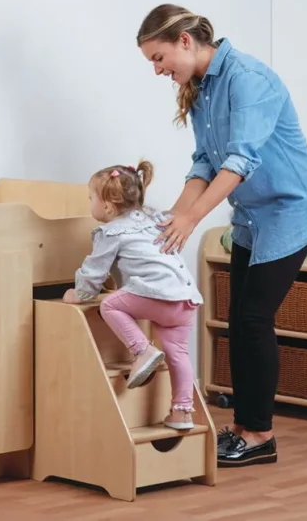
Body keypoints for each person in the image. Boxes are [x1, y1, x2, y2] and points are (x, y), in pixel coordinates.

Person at [136, 4, 307, 468]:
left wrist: (195, 219)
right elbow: (205, 159)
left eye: (159, 59)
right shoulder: (202, 88)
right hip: (252, 215)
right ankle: (244, 428)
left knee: (252, 320)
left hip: (289, 210)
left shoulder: (247, 79)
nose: (159, 71)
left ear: (185, 41)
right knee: (238, 321)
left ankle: (259, 434)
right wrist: (176, 215)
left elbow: (240, 162)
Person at [63, 161, 203, 431]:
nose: (89, 203)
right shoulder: (154, 218)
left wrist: (78, 293)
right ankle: (182, 411)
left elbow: (94, 272)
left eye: (90, 197)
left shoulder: (111, 232)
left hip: (159, 295)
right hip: (185, 297)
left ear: (107, 205)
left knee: (111, 305)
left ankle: (142, 350)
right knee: (178, 354)